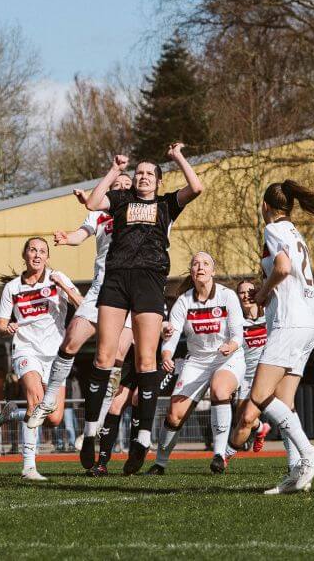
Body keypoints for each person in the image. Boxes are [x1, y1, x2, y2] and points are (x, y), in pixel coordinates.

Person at [76, 143, 204, 475]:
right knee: (104, 357)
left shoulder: (166, 204)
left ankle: (142, 440)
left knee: (147, 361)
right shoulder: (121, 200)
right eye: (140, 174)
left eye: (150, 174)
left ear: (159, 181)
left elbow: (197, 187)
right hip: (116, 280)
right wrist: (115, 170)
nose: (144, 177)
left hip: (149, 282)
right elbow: (92, 202)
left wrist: (177, 157)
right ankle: (90, 434)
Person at [229, 180, 314, 495]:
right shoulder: (295, 232)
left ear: (265, 206)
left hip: (289, 323)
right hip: (307, 323)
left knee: (260, 396)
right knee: (285, 400)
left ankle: (308, 452)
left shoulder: (274, 230)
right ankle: (296, 471)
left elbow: (282, 266)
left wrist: (263, 294)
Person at [27, 173, 137, 432]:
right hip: (102, 286)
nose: (121, 189)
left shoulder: (139, 211)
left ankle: (97, 423)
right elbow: (81, 234)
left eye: (126, 186)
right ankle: (48, 399)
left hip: (132, 288)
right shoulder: (99, 215)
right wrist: (68, 238)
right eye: (116, 186)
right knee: (72, 339)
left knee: (116, 355)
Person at [0, 237, 83, 480]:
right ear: (25, 254)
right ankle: (29, 466)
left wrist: (65, 287)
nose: (37, 254)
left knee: (53, 418)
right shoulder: (12, 287)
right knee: (36, 402)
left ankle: (12, 414)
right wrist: (7, 327)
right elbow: (0, 323)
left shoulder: (58, 278)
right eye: (33, 250)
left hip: (55, 355)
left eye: (43, 251)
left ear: (47, 257)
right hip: (26, 350)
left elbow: (83, 306)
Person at [150, 252, 245, 474]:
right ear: (191, 272)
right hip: (197, 361)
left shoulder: (227, 296)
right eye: (195, 264)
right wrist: (166, 356)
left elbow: (237, 335)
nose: (200, 267)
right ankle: (160, 463)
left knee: (219, 389)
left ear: (213, 271)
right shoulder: (183, 302)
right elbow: (171, 335)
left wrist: (230, 346)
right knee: (174, 414)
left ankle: (219, 456)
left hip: (227, 358)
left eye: (205, 264)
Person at [234, 279, 274, 454]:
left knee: (283, 414)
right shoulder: (236, 321)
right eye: (241, 292)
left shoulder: (269, 315)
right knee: (241, 419)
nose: (245, 295)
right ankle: (260, 429)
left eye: (249, 291)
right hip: (246, 378)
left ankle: (295, 458)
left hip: (267, 376)